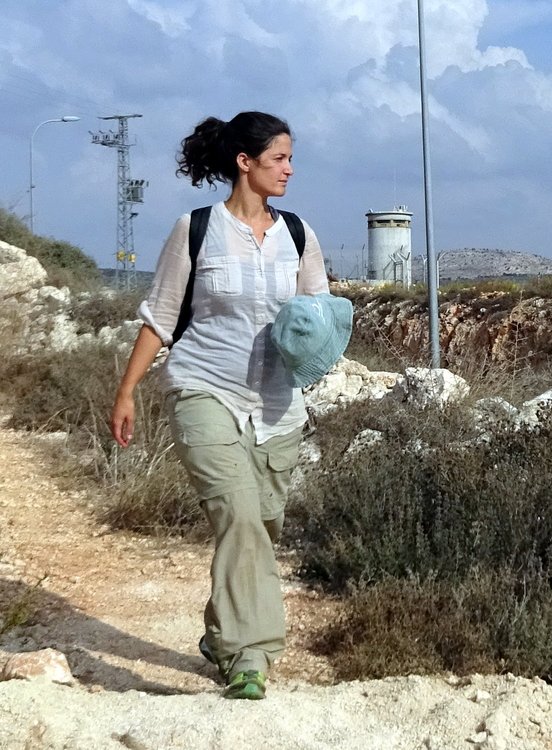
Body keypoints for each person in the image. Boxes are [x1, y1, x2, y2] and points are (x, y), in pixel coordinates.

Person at [110, 111, 330, 700]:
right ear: (245, 162)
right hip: (204, 388)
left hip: (279, 405)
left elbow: (318, 318)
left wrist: (322, 350)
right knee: (237, 513)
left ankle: (219, 630)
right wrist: (128, 389)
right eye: (279, 157)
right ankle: (248, 655)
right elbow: (161, 314)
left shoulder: (300, 236)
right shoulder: (196, 229)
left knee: (261, 523)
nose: (289, 168)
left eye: (289, 157)